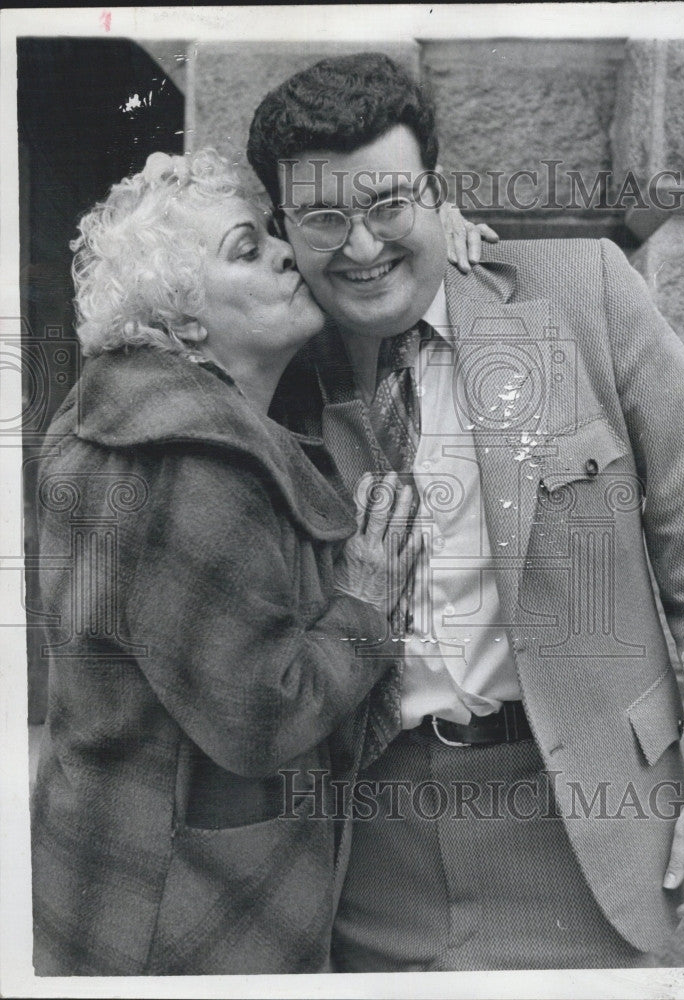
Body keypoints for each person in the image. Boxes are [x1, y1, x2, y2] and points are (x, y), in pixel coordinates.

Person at [247, 53, 684, 971]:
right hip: (361, 834)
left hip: (579, 820)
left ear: (439, 193)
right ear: (283, 228)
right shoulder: (275, 366)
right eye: (324, 217)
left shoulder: (580, 294)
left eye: (390, 204)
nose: (361, 245)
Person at [29, 148, 486, 975]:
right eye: (247, 248)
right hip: (185, 915)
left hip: (116, 877)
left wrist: (428, 235)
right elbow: (261, 717)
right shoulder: (187, 465)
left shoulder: (135, 413)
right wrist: (365, 603)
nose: (285, 253)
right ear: (186, 324)